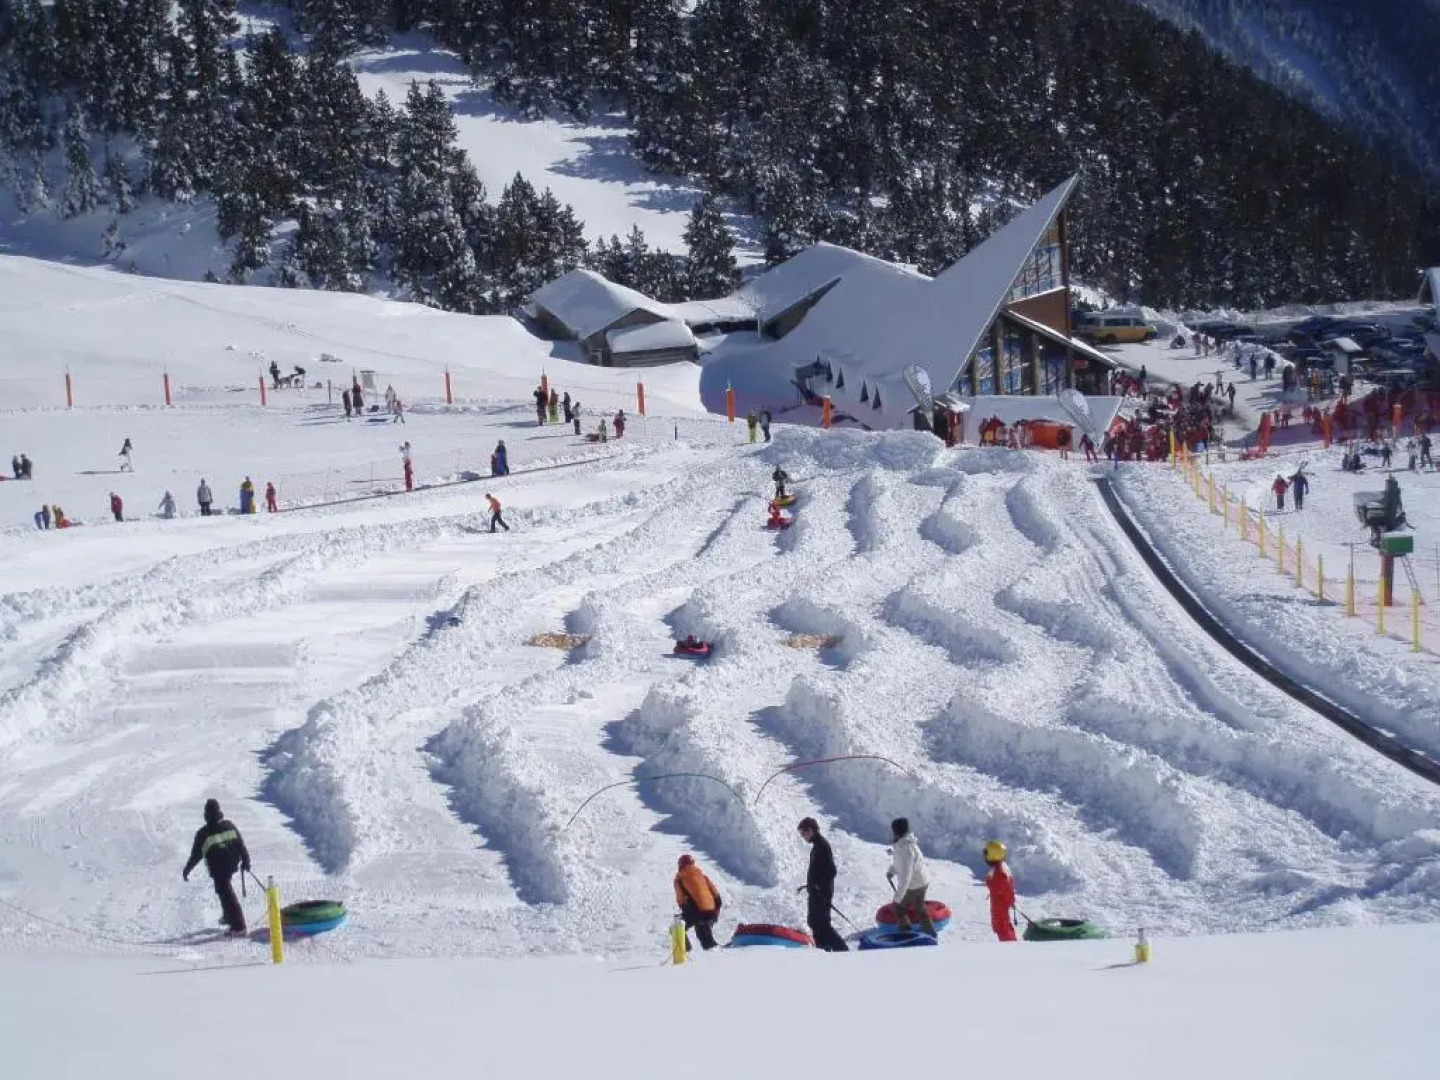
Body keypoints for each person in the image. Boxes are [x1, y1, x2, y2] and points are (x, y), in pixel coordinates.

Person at [182, 798, 251, 936]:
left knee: (226, 893)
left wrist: (187, 870)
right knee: (222, 890)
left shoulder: (203, 833)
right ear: (219, 812)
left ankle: (239, 926)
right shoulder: (229, 825)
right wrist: (245, 860)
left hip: (219, 868)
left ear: (206, 815)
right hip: (232, 863)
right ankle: (228, 916)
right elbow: (240, 844)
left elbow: (196, 855)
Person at [797, 817, 848, 951]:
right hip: (816, 894)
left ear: (811, 830)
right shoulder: (817, 845)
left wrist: (819, 886)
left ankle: (844, 951)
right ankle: (823, 952)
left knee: (823, 926)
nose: (803, 836)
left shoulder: (822, 846)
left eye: (803, 833)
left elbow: (831, 870)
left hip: (821, 895)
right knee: (814, 924)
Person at [886, 818, 936, 937]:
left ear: (896, 831)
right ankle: (931, 934)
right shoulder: (907, 843)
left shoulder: (905, 849)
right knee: (919, 908)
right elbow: (901, 863)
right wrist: (892, 870)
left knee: (898, 908)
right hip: (922, 881)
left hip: (914, 884)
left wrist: (897, 898)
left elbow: (905, 878)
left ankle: (907, 937)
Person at [674, 854, 722, 952]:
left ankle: (686, 953)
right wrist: (715, 911)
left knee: (677, 925)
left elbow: (681, 899)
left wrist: (687, 912)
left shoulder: (679, 878)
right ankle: (713, 949)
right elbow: (717, 896)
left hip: (697, 911)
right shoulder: (703, 877)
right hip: (711, 911)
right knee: (702, 930)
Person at [983, 840, 1017, 942]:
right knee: (1002, 927)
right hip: (999, 904)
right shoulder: (998, 868)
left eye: (987, 854)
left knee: (1002, 927)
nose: (985, 857)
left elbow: (1005, 890)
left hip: (1000, 906)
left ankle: (1010, 950)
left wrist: (1011, 901)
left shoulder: (999, 872)